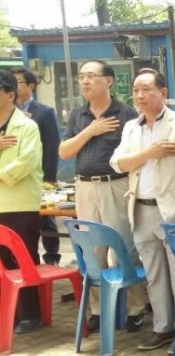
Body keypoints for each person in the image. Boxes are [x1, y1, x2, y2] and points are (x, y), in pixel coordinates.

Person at [110, 68, 175, 353]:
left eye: (146, 89)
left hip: (174, 209)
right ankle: (163, 327)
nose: (140, 95)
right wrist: (149, 152)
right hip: (140, 209)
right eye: (136, 90)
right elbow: (118, 164)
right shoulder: (132, 127)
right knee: (154, 274)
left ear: (163, 93)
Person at [59, 60, 146, 333]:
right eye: (81, 77)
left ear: (108, 80)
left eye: (91, 76)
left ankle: (135, 308)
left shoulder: (126, 113)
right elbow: (65, 151)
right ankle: (97, 309)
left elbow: (135, 154)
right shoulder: (78, 115)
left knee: (124, 246)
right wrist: (91, 130)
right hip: (85, 188)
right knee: (92, 249)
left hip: (115, 186)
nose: (84, 81)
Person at [0, 70, 44, 334]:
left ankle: (30, 315)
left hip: (20, 204)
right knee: (2, 262)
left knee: (22, 258)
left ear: (10, 94)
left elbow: (26, 163)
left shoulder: (27, 126)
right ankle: (9, 311)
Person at [12, 67, 61, 265]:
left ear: (31, 86)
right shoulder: (6, 112)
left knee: (46, 218)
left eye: (17, 82)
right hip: (14, 177)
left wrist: (49, 178)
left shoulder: (44, 112)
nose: (13, 86)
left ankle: (52, 257)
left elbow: (51, 145)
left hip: (38, 174)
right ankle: (26, 260)